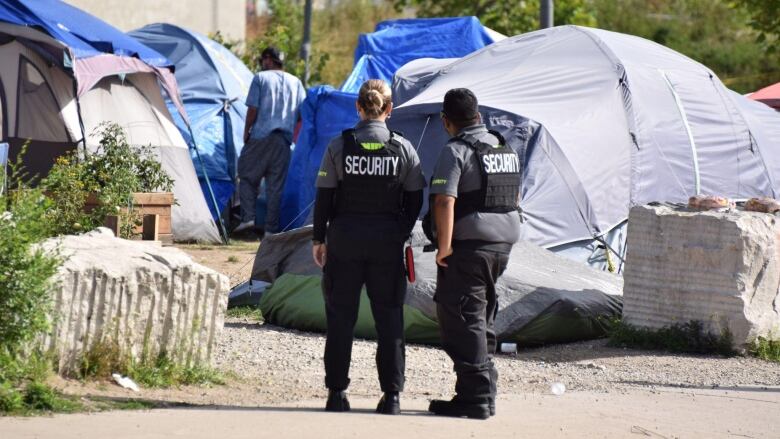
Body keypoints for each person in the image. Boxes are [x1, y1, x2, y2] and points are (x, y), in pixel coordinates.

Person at [312, 79, 425, 415]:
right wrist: (399, 231)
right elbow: (415, 199)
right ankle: (391, 397)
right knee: (390, 320)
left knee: (340, 319)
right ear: (389, 110)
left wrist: (319, 239)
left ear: (358, 107)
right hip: (386, 244)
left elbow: (324, 197)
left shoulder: (338, 146)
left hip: (345, 240)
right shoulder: (403, 148)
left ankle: (336, 395)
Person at [426, 88, 521, 420]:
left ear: (446, 121)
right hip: (503, 244)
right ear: (478, 115)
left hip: (470, 247)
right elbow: (513, 194)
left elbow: (443, 201)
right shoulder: (503, 145)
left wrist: (444, 247)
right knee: (481, 316)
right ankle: (482, 392)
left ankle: (477, 396)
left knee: (461, 316)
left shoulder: (456, 151)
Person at [237, 47, 306, 235]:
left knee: (247, 176)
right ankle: (271, 231)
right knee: (276, 187)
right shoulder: (296, 83)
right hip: (283, 141)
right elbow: (301, 114)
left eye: (264, 59)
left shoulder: (261, 78)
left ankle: (248, 218)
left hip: (260, 137)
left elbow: (253, 109)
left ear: (268, 60)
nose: (263, 62)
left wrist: (246, 132)